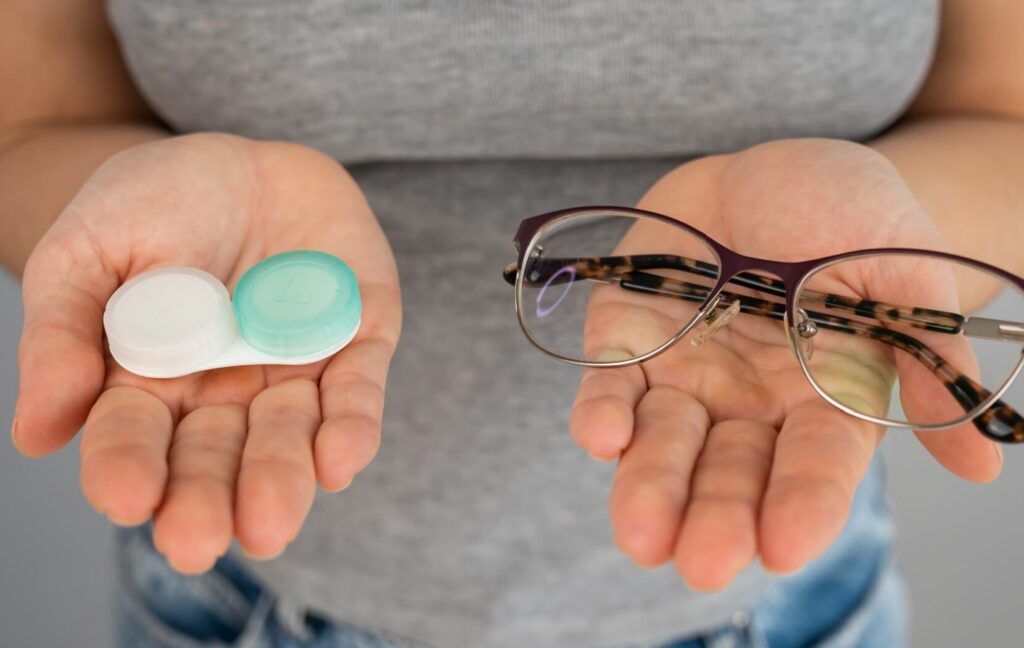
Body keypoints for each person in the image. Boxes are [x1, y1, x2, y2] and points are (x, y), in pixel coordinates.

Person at [2, 1, 1023, 646]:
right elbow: (30, 119)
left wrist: (884, 236)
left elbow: (1003, 111)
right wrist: (112, 197)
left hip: (787, 605)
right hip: (241, 601)